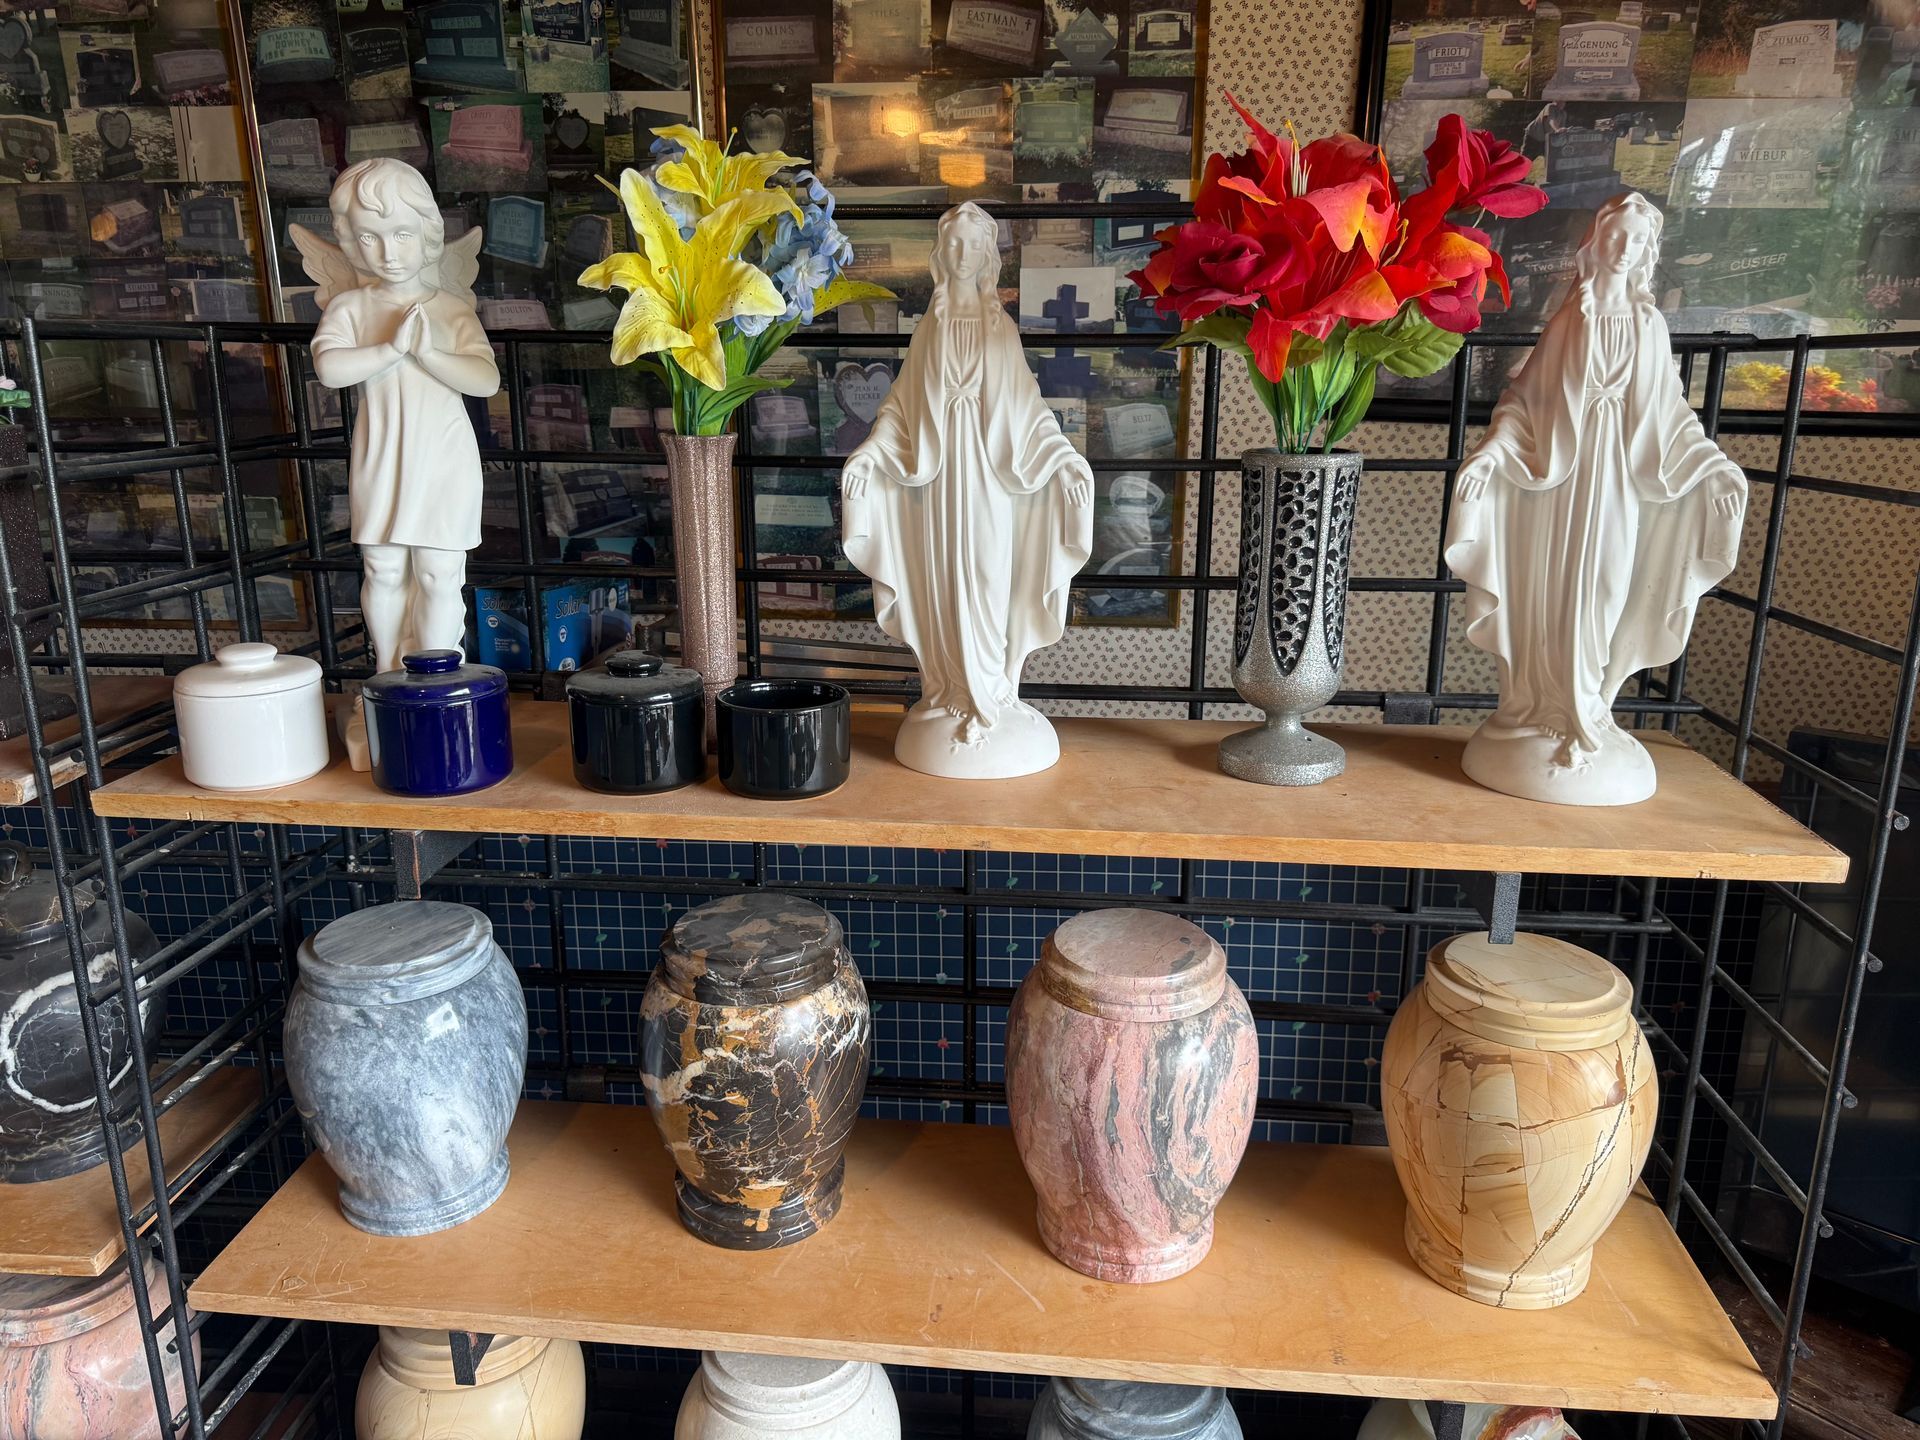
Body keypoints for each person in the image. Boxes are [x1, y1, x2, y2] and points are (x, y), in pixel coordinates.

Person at [1446, 192, 1745, 805]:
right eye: (1615, 235)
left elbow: (1670, 414)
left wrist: (1713, 468)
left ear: (1647, 253)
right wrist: (1493, 454)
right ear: (1596, 240)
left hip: (1618, 485)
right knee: (1551, 595)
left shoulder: (1648, 324)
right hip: (1558, 488)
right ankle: (1542, 708)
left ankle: (1592, 710)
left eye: (1636, 240)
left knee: (1607, 588)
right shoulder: (1571, 318)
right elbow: (1523, 402)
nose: (1623, 248)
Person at [841, 202, 1094, 778]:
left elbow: (1028, 411)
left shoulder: (999, 328)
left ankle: (996, 690)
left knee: (986, 575)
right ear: (940, 253)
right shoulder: (928, 327)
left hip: (990, 481)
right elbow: (901, 409)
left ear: (986, 257)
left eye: (970, 245)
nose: (960, 255)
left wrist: (1062, 460)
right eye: (951, 244)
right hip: (937, 481)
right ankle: (950, 690)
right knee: (942, 582)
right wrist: (871, 453)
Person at [307, 159, 499, 680]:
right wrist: (393, 347)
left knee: (439, 573)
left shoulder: (452, 310)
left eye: (402, 234)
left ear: (428, 235)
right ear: (349, 241)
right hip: (383, 453)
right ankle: (390, 678)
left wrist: (429, 353)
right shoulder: (350, 307)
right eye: (369, 237)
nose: (388, 252)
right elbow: (329, 368)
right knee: (384, 567)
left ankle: (436, 681)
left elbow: (485, 380)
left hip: (442, 455)